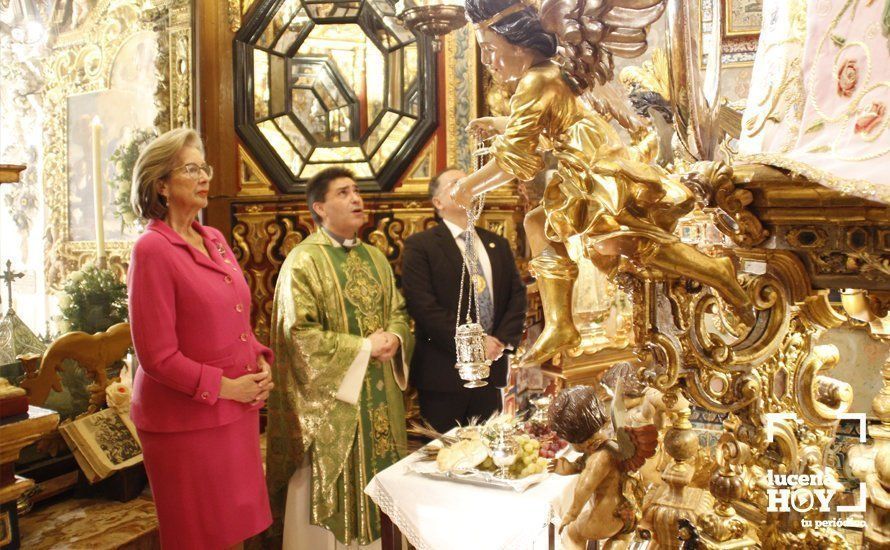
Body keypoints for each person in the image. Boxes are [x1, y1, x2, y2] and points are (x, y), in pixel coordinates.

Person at [452, 0, 753, 367]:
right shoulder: (548, 75)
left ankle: (716, 271)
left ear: (518, 46)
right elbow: (548, 128)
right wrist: (501, 125)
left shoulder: (534, 81)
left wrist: (468, 187)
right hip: (585, 165)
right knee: (541, 225)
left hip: (595, 170)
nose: (489, 63)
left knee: (622, 238)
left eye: (490, 52)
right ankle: (561, 322)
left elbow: (514, 162)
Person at [127, 128, 274, 549]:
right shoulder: (152, 249)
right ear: (161, 183)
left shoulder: (215, 239)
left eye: (204, 167)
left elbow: (234, 318)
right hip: (185, 425)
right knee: (203, 539)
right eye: (191, 168)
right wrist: (226, 386)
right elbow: (155, 356)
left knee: (239, 534)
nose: (204, 176)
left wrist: (261, 361)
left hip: (236, 413)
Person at [265, 167, 414, 549]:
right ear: (320, 207)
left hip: (379, 397)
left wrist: (395, 338)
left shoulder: (377, 258)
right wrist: (364, 348)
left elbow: (397, 309)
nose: (356, 199)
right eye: (343, 193)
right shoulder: (303, 261)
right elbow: (297, 335)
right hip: (333, 406)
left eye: (357, 192)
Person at [401, 167, 526, 433]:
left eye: (470, 181)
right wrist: (475, 345)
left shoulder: (497, 244)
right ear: (438, 203)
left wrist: (499, 341)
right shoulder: (420, 246)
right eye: (456, 183)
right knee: (444, 458)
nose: (467, 186)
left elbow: (516, 297)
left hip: (491, 369)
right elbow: (423, 307)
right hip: (444, 373)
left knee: (487, 452)